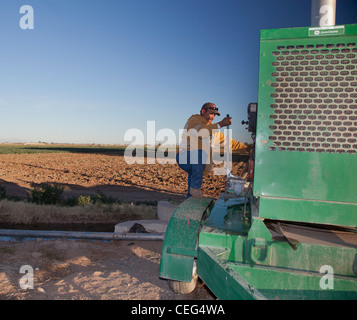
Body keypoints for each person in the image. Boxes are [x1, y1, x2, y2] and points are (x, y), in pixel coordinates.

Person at [176, 102, 248, 199]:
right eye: (210, 113)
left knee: (194, 175)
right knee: (200, 154)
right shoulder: (194, 120)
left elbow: (228, 142)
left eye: (214, 115)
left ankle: (190, 201)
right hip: (184, 156)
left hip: (195, 160)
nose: (212, 117)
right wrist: (220, 124)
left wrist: (246, 147)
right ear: (203, 111)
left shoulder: (213, 130)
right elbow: (200, 131)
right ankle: (195, 189)